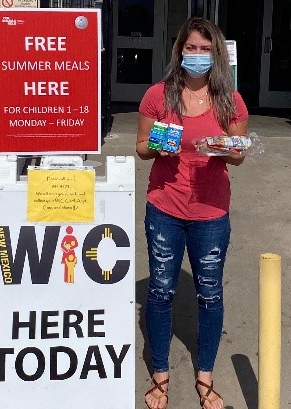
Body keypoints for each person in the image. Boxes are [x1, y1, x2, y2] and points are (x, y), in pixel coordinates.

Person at [136, 17, 248, 409]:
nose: (197, 56)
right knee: (162, 292)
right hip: (164, 207)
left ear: (216, 54)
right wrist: (157, 148)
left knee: (210, 295)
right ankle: (160, 374)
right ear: (179, 50)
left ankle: (205, 376)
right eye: (190, 48)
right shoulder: (158, 96)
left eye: (205, 49)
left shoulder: (229, 101)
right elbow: (141, 147)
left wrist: (231, 151)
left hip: (211, 212)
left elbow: (240, 153)